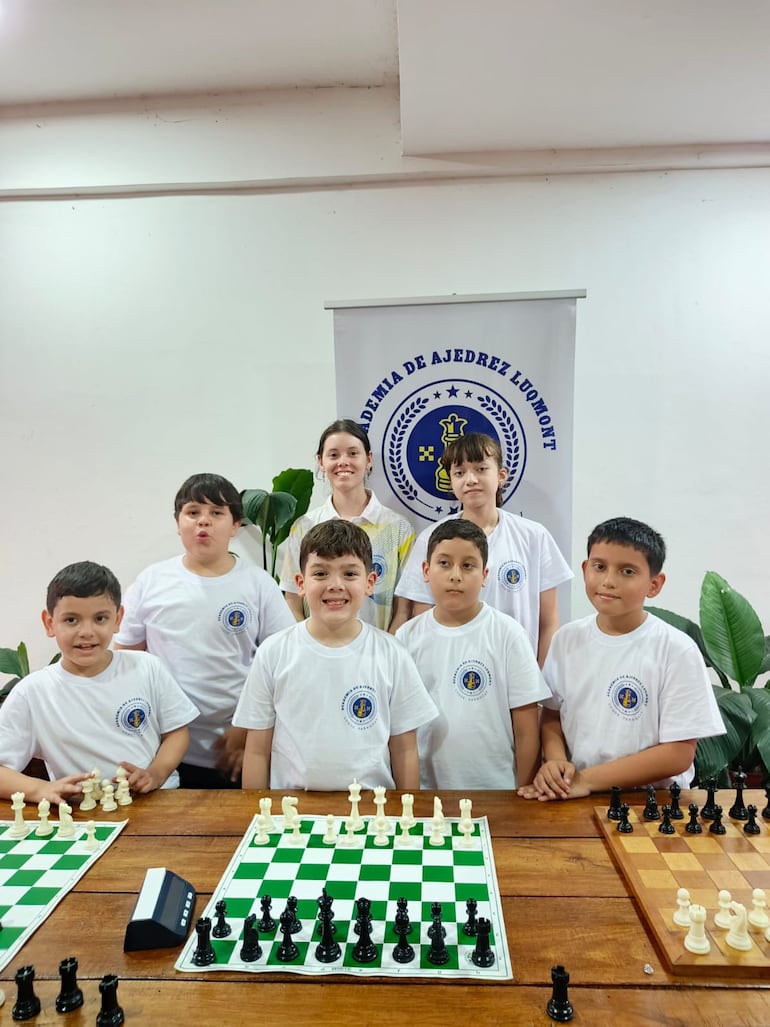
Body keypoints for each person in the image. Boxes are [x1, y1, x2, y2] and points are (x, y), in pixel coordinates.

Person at [518, 517, 726, 802]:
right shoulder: (567, 639)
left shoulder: (677, 649)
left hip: (652, 800)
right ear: (585, 569)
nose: (608, 581)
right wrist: (555, 762)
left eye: (627, 571)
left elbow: (678, 753)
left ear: (654, 584)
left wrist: (587, 780)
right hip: (579, 794)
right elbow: (553, 714)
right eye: (599, 567)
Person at [114, 473, 294, 788]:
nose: (204, 522)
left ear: (236, 525)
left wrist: (249, 730)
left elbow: (285, 664)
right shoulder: (151, 582)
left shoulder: (258, 584)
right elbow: (126, 661)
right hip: (165, 752)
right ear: (178, 521)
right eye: (193, 512)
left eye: (216, 513)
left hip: (239, 748)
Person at [235, 519, 438, 791]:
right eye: (320, 574)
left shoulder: (392, 654)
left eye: (350, 574)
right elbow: (257, 750)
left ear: (370, 582)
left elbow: (404, 750)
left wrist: (405, 815)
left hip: (371, 811)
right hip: (293, 813)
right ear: (300, 583)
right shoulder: (274, 652)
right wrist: (258, 816)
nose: (335, 585)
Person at [0, 561, 198, 803]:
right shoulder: (32, 693)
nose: (87, 632)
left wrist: (155, 775)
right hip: (83, 814)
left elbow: (177, 733)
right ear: (50, 623)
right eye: (71, 620)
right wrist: (41, 789)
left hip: (158, 800)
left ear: (118, 619)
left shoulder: (147, 667)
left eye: (100, 618)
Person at [396, 519, 551, 789]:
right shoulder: (407, 637)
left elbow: (526, 726)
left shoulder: (507, 633)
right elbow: (400, 728)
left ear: (485, 575)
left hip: (497, 789)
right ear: (425, 570)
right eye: (444, 563)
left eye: (468, 565)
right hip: (426, 791)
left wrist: (522, 791)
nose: (455, 575)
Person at [395, 432, 572, 665]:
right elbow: (423, 618)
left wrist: (538, 685)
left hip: (517, 675)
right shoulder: (431, 539)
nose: (470, 479)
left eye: (481, 469)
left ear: (501, 475)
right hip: (449, 671)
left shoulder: (533, 536)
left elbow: (549, 622)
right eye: (459, 473)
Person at [279, 419, 414, 632]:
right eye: (333, 455)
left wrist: (386, 650)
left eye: (353, 453)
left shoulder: (398, 528)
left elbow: (404, 608)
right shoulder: (305, 527)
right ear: (321, 462)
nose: (343, 462)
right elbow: (292, 601)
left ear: (368, 459)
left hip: (377, 655)